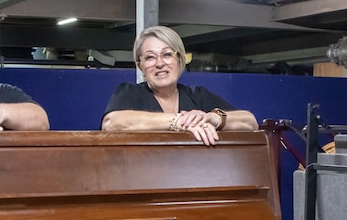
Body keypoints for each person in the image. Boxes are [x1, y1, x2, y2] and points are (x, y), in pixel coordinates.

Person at [101, 25, 258, 146]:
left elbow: (250, 122)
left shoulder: (198, 95)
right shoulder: (130, 92)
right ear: (140, 66)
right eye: (150, 57)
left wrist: (213, 119)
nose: (160, 63)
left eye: (167, 54)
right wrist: (179, 121)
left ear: (179, 60)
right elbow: (111, 124)